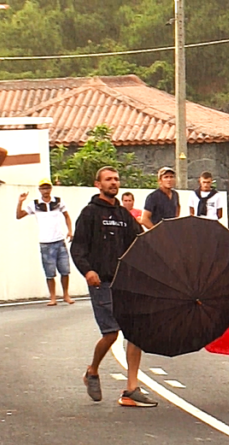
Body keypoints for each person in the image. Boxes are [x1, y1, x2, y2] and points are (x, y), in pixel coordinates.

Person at [70, 166, 155, 407]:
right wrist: (88, 271)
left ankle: (131, 389)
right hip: (102, 282)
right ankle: (92, 371)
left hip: (126, 284)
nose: (113, 183)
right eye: (108, 179)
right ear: (98, 184)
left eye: (116, 179)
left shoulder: (123, 215)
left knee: (134, 332)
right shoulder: (89, 214)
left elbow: (140, 243)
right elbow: (78, 248)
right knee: (111, 333)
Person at [16, 179, 75, 306]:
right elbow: (19, 215)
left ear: (51, 189)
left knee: (65, 270)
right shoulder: (35, 204)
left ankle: (66, 294)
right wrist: (20, 202)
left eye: (47, 188)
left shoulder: (58, 201)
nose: (45, 191)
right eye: (43, 188)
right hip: (45, 242)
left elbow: (67, 216)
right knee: (49, 272)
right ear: (39, 190)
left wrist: (70, 231)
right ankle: (52, 297)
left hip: (59, 240)